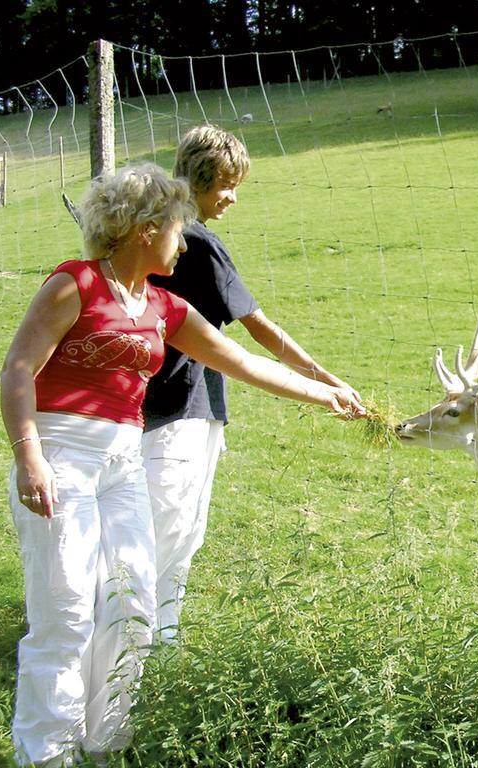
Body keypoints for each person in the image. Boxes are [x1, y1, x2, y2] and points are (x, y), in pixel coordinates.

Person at [1, 163, 363, 767]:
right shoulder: (74, 285)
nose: (184, 241)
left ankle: (106, 742)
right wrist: (29, 454)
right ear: (146, 229)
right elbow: (18, 371)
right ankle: (46, 754)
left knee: (133, 601)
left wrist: (326, 392)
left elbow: (241, 362)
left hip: (121, 465)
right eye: (177, 228)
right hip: (61, 455)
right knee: (64, 613)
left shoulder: (164, 307)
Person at [142, 125, 362, 643]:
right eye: (227, 185)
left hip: (141, 403)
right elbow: (258, 328)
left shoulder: (145, 230)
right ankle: (144, 645)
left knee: (152, 530)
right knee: (172, 533)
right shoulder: (197, 242)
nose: (234, 198)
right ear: (200, 177)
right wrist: (326, 379)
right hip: (185, 406)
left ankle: (145, 640)